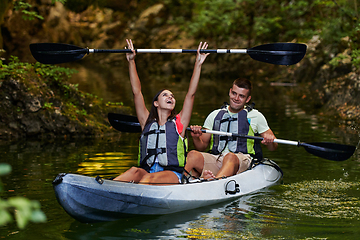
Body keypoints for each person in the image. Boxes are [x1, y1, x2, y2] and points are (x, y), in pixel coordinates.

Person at [113, 39, 210, 184]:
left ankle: (134, 195)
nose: (170, 97)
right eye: (165, 95)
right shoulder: (146, 121)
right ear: (156, 103)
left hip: (172, 174)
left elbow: (191, 94)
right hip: (147, 171)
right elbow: (137, 92)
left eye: (172, 96)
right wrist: (131, 61)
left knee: (148, 179)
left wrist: (198, 63)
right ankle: (107, 188)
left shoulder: (180, 122)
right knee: (133, 171)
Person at [184, 78, 278, 180]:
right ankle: (177, 183)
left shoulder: (256, 116)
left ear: (247, 99)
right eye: (234, 93)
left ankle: (215, 183)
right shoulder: (214, 115)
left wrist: (270, 141)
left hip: (241, 159)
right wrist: (196, 137)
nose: (236, 98)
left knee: (230, 157)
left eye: (241, 96)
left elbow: (273, 147)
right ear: (229, 92)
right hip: (216, 158)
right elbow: (201, 147)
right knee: (192, 154)